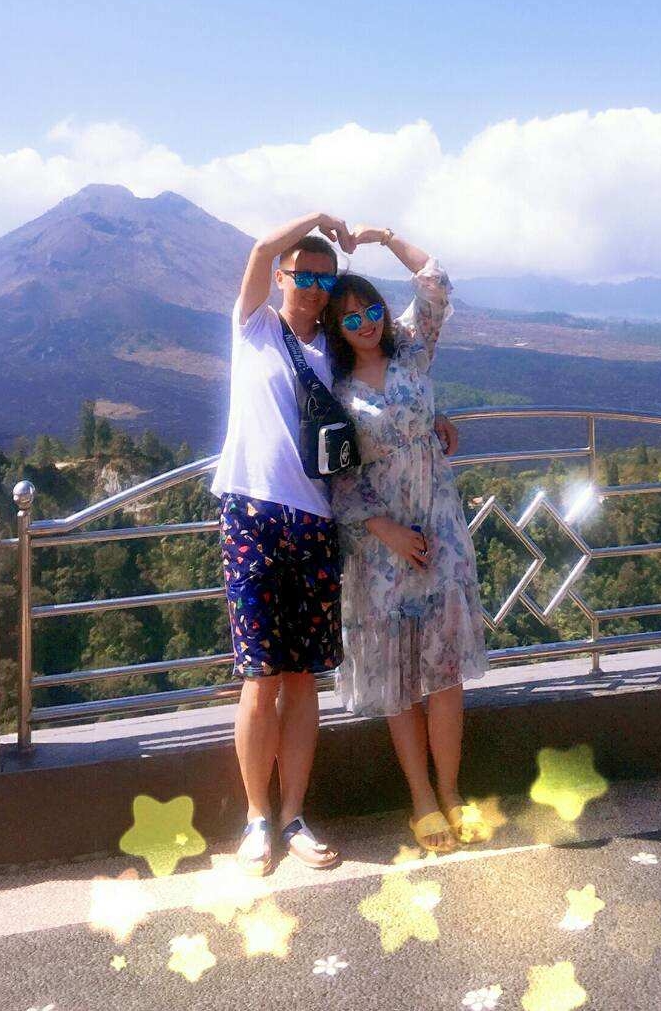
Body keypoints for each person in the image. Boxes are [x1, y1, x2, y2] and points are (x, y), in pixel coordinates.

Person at [210, 212, 461, 876]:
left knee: (301, 679)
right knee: (259, 676)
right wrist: (318, 219)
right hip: (253, 513)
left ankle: (293, 815)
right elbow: (260, 248)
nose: (315, 288)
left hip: (318, 522)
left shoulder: (335, 351)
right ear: (282, 277)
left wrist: (431, 416)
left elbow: (382, 405)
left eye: (325, 278)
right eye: (304, 275)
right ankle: (256, 819)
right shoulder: (254, 327)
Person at [323, 228, 489, 854]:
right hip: (382, 546)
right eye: (349, 318)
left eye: (370, 310)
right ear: (336, 330)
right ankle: (421, 799)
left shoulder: (412, 352)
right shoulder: (335, 391)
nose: (365, 323)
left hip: (439, 527)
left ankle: (452, 792)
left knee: (444, 671)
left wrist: (384, 237)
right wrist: (385, 530)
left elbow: (435, 280)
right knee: (397, 676)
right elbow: (338, 478)